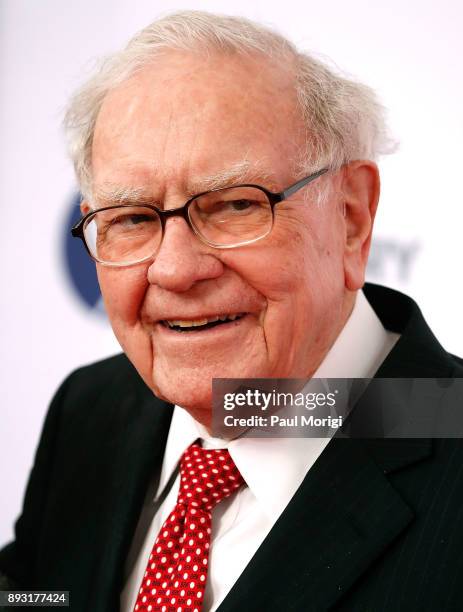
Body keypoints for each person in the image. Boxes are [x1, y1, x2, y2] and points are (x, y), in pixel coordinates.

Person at [1, 10, 463, 612]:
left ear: (351, 218)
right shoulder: (91, 409)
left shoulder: (443, 428)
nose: (174, 269)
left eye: (234, 206)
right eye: (133, 219)